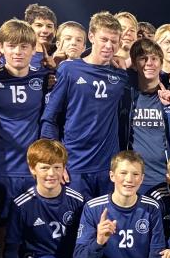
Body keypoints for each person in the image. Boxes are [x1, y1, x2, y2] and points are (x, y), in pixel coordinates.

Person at [40, 11, 129, 199]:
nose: (108, 46)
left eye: (114, 41)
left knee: (106, 224)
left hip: (108, 167)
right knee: (75, 224)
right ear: (91, 37)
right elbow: (50, 118)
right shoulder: (69, 69)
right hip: (75, 165)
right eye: (104, 39)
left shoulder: (121, 76)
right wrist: (55, 162)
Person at [0, 19, 48, 226]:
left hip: (32, 169)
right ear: (1, 47)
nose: (18, 52)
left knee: (33, 228)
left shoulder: (44, 77)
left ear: (34, 50)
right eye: (11, 45)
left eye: (24, 46)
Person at [123, 38, 170, 194]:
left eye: (154, 58)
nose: (150, 63)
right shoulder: (125, 96)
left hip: (167, 179)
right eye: (143, 59)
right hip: (134, 180)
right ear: (135, 65)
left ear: (161, 62)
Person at [23, 3, 57, 67]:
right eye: (39, 25)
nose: (45, 31)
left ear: (55, 31)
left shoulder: (64, 52)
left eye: (49, 26)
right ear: (28, 28)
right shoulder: (17, 53)